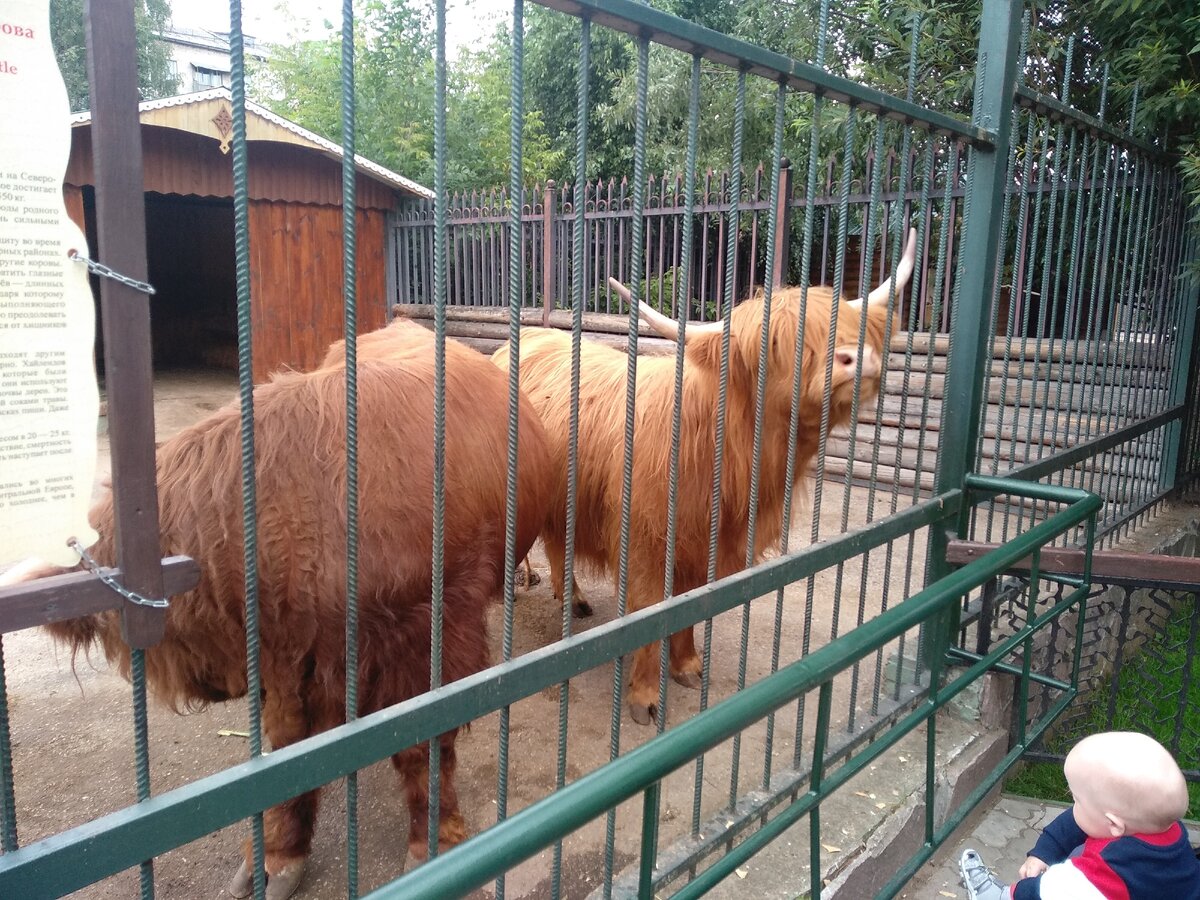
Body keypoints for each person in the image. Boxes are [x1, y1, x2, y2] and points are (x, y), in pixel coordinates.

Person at [959, 731, 1200, 899]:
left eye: (1077, 800)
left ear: (1114, 824)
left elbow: (1049, 891)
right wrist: (1044, 853)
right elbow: (1078, 823)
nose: (1073, 807)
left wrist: (1013, 893)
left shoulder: (1110, 871)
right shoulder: (1166, 829)